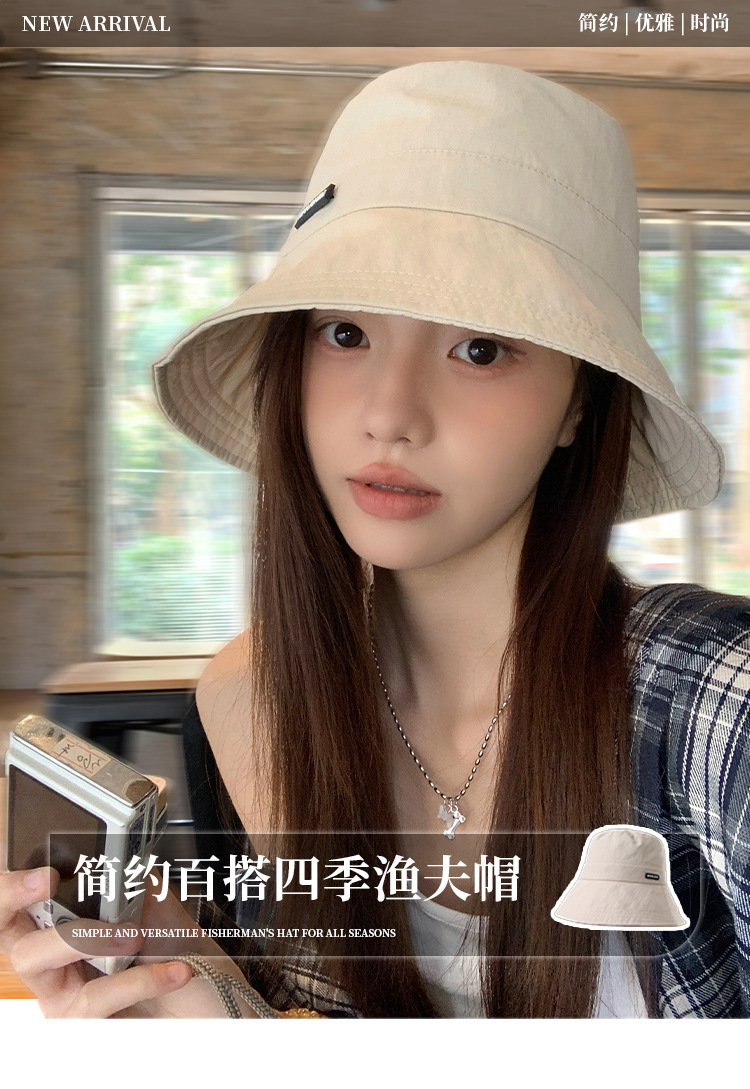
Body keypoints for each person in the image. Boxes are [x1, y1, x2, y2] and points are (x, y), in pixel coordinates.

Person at [2, 61, 748, 1019]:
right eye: (346, 333)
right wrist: (197, 993)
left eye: (481, 348)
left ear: (578, 407)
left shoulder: (715, 709)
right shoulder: (254, 701)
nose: (390, 414)